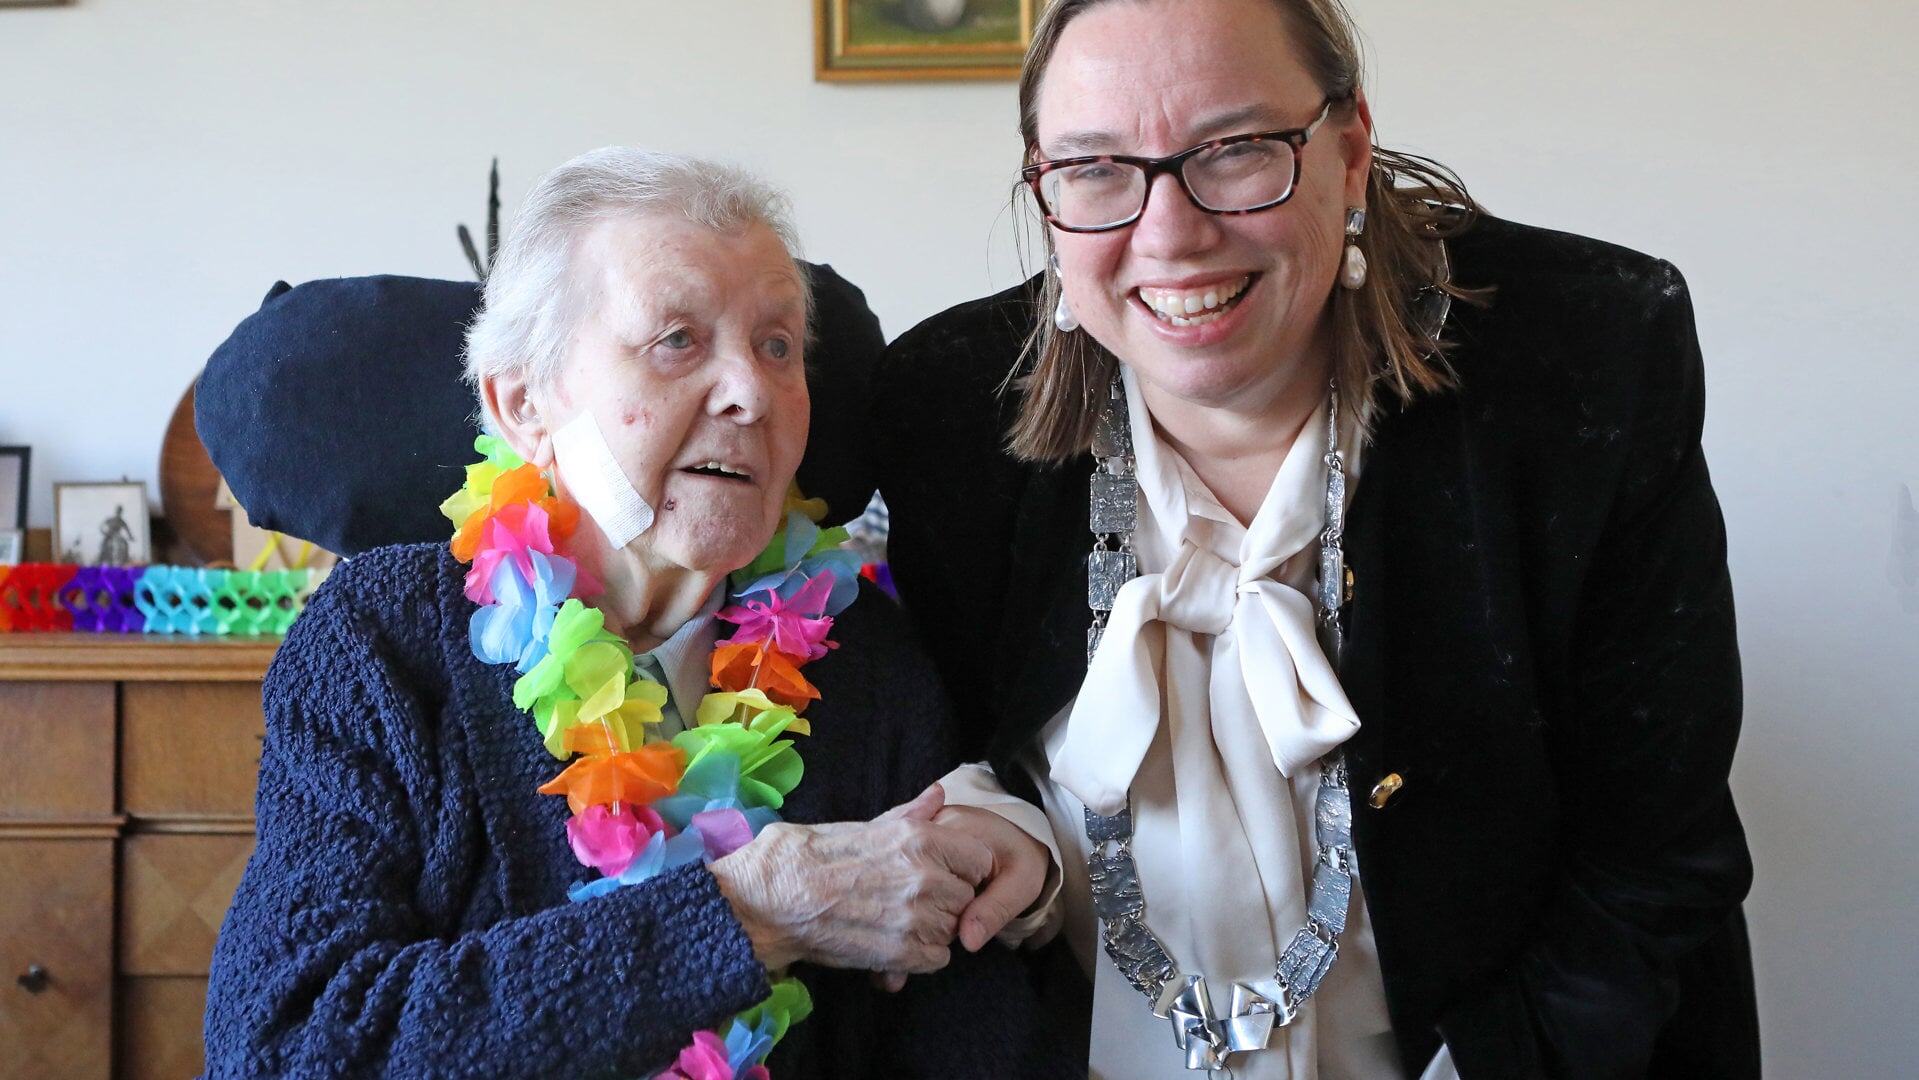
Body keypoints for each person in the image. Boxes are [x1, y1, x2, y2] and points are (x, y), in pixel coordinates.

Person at [872, 0, 1761, 1076]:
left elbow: (1653, 858)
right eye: (1096, 168)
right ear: (1043, 192)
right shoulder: (944, 409)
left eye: (1236, 149)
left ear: (1347, 151)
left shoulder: (1584, 357)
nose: (1168, 233)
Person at [201, 148, 1059, 1079]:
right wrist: (748, 913)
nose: (751, 390)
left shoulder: (865, 659)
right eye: (676, 339)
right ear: (524, 404)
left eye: (778, 346)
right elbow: (286, 1047)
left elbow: (970, 1041)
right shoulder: (380, 641)